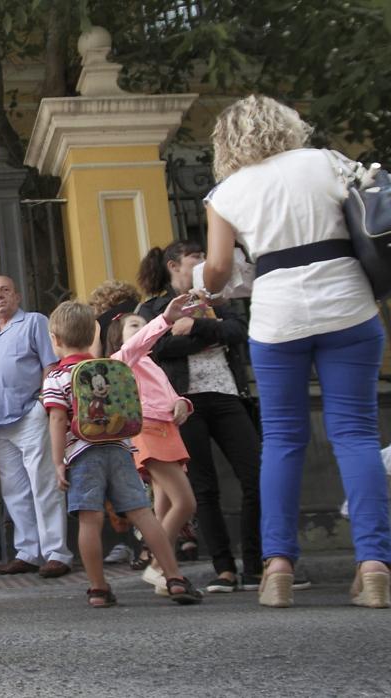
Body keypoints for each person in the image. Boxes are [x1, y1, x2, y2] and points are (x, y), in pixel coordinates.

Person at [201, 94, 391, 609]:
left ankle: (278, 567)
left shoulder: (227, 192)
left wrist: (215, 278)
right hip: (350, 307)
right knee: (355, 433)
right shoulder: (328, 162)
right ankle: (374, 564)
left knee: (282, 441)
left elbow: (217, 271)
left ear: (228, 142)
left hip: (277, 317)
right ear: (287, 125)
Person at [41, 300, 202, 608]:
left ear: (55, 339)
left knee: (90, 520)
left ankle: (99, 588)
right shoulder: (111, 367)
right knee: (143, 513)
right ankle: (174, 577)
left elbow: (58, 419)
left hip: (82, 456)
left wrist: (57, 461)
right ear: (93, 337)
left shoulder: (55, 378)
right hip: (119, 449)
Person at [138, 241, 264, 593]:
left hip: (228, 396)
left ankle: (255, 565)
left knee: (255, 475)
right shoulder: (156, 307)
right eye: (197, 258)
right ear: (175, 266)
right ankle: (224, 569)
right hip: (183, 404)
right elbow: (158, 347)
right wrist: (211, 336)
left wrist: (194, 326)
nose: (206, 263)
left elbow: (239, 332)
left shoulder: (221, 299)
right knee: (204, 489)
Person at [0, 275, 72, 578]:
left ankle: (57, 553)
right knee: (15, 492)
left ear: (17, 296)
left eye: (5, 290)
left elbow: (50, 363)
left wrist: (45, 402)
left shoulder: (33, 322)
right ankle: (29, 552)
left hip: (29, 414)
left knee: (44, 484)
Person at [107, 306, 198, 594]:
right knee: (185, 503)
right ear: (119, 337)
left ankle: (165, 573)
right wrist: (165, 320)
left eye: (143, 325)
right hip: (149, 431)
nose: (142, 329)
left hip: (167, 430)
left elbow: (170, 397)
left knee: (166, 506)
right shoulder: (122, 359)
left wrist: (182, 402)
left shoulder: (149, 363)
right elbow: (138, 342)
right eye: (134, 325)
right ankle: (159, 565)